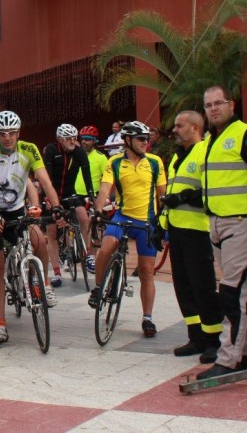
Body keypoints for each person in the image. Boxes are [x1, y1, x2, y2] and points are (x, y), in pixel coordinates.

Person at [197, 85, 247, 379]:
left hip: (243, 222)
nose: (213, 108)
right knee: (245, 293)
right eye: (208, 105)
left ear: (232, 104)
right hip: (217, 224)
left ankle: (228, 359)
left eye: (219, 103)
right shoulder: (212, 140)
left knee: (231, 292)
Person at [0, 110, 62, 345]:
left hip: (17, 210)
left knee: (39, 239)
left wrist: (56, 206)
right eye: (2, 133)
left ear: (18, 132)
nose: (7, 137)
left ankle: (44, 284)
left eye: (12, 133)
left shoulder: (30, 149)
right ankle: (1, 326)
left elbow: (44, 180)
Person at [89, 121, 166, 338]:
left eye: (146, 139)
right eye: (141, 139)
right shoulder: (114, 162)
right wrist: (97, 212)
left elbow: (162, 194)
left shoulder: (154, 162)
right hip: (122, 216)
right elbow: (105, 189)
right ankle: (98, 287)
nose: (145, 142)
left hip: (146, 221)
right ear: (128, 140)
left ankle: (147, 318)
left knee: (146, 272)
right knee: (105, 248)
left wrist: (163, 220)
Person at [159, 111, 222, 364]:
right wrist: (160, 225)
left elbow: (211, 190)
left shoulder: (205, 151)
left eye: (179, 125)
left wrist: (184, 198)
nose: (174, 129)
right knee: (183, 287)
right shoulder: (177, 156)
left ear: (195, 128)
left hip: (197, 231)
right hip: (176, 230)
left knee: (203, 287)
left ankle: (214, 341)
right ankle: (195, 337)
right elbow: (171, 195)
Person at [43, 123, 95, 287]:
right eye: (68, 138)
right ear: (59, 139)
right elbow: (47, 176)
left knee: (84, 218)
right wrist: (50, 200)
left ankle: (87, 255)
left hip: (70, 192)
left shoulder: (79, 152)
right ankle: (57, 273)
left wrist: (91, 195)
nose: (72, 141)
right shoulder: (51, 150)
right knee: (52, 232)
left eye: (74, 138)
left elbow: (87, 175)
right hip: (53, 192)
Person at [75, 125, 108, 271]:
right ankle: (71, 253)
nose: (84, 142)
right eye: (82, 139)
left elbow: (107, 179)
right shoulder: (75, 154)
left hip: (92, 195)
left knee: (93, 225)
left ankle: (91, 256)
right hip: (74, 194)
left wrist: (103, 197)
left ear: (94, 141)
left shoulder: (101, 158)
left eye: (88, 140)